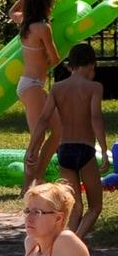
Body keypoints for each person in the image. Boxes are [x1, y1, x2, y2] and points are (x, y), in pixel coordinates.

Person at [30, 42, 106, 237]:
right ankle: (76, 241)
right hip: (85, 149)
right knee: (95, 206)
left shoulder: (57, 88)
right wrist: (104, 151)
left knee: (74, 205)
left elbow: (44, 119)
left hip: (64, 149)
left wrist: (32, 148)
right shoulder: (94, 87)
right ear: (91, 64)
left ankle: (66, 241)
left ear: (71, 64)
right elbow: (95, 118)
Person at [11, 0, 61, 192]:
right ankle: (28, 186)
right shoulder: (43, 28)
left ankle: (37, 177)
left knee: (59, 131)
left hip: (30, 85)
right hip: (32, 86)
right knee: (36, 139)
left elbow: (12, 10)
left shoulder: (25, 22)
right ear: (46, 2)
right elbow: (55, 58)